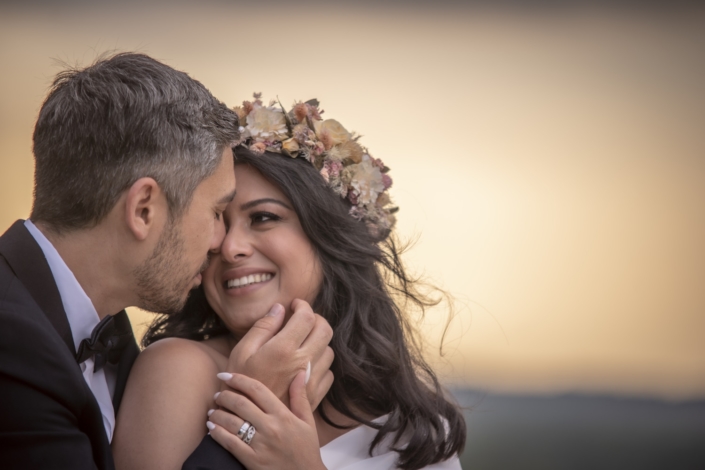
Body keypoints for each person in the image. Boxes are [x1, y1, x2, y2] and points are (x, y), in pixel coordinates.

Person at [0, 55, 331, 470]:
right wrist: (250, 412)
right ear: (143, 209)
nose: (220, 244)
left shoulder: (101, 338)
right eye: (215, 212)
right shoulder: (11, 342)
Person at [114, 95, 466, 469]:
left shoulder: (416, 426)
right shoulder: (178, 370)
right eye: (217, 221)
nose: (229, 247)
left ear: (328, 235)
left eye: (263, 218)